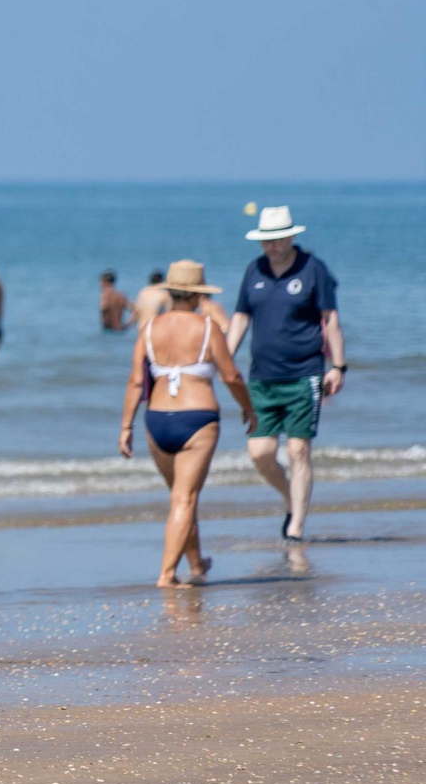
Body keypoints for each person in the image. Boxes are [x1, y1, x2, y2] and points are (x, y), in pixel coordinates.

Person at [118, 261, 255, 587]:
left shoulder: (149, 329)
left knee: (180, 495)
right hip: (198, 419)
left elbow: (136, 382)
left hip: (156, 421)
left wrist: (126, 426)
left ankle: (196, 565)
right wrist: (249, 408)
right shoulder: (208, 328)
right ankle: (166, 575)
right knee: (185, 498)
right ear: (197, 294)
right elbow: (232, 375)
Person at [226, 206, 346, 542]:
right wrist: (222, 359)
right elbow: (239, 319)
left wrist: (338, 365)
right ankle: (291, 500)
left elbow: (331, 319)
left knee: (298, 451)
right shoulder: (254, 270)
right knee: (260, 452)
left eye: (277, 239)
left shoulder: (313, 270)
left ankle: (295, 528)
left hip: (304, 374)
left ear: (291, 236)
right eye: (266, 240)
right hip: (262, 377)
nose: (272, 245)